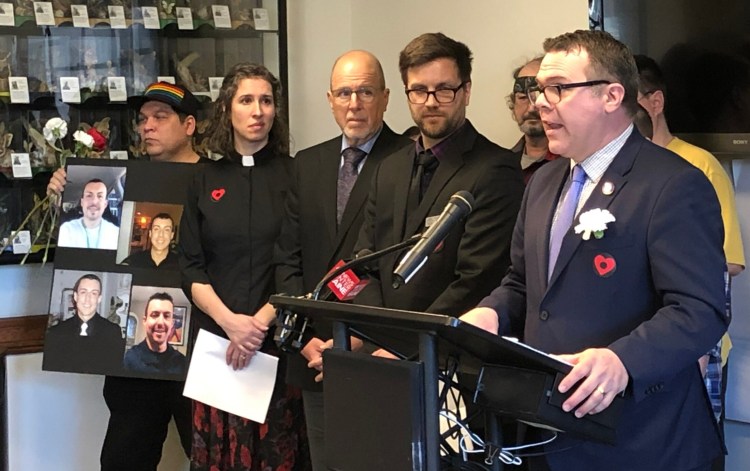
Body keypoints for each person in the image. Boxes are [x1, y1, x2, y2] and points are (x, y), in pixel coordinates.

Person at [460, 30, 727, 470]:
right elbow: (523, 283)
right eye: (537, 90)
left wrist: (623, 359)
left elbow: (700, 309)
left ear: (612, 95)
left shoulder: (674, 184)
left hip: (643, 441)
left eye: (558, 88)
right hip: (548, 434)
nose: (540, 103)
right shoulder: (544, 182)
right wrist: (490, 313)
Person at [47, 82, 202, 471]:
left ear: (189, 125)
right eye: (143, 119)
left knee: (211, 458)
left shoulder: (220, 180)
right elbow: (91, 249)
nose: (147, 126)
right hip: (134, 361)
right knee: (123, 459)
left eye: (160, 117)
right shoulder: (123, 183)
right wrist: (63, 199)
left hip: (202, 350)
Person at [274, 49, 411, 470]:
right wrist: (304, 339)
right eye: (345, 93)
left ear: (386, 98)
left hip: (381, 352)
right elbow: (288, 257)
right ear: (330, 99)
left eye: (366, 92)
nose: (355, 104)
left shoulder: (408, 160)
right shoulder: (307, 164)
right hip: (315, 354)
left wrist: (359, 341)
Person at [179, 62, 310, 470]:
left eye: (267, 101)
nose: (258, 111)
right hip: (218, 347)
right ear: (227, 110)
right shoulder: (204, 178)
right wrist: (232, 323)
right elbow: (190, 266)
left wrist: (257, 326)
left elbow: (301, 259)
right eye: (247, 100)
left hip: (279, 346)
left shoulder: (297, 174)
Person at [350, 33, 523, 320]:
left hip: (447, 351)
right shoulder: (388, 169)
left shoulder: (496, 169)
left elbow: (476, 281)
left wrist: (406, 344)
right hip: (381, 344)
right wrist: (380, 333)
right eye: (418, 90)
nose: (430, 102)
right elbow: (363, 262)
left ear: (466, 91)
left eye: (443, 90)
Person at [636, 54, 745, 471]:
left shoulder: (697, 166)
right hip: (637, 343)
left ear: (655, 102)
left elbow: (727, 263)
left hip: (694, 343)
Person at [43, 273, 125, 374]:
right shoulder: (56, 333)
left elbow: (114, 370)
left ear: (99, 299)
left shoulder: (113, 332)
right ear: (76, 296)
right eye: (83, 292)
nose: (88, 299)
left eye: (94, 293)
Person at [507, 57, 560, 184]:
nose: (532, 108)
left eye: (539, 96)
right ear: (513, 105)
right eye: (523, 97)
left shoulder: (572, 164)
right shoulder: (503, 164)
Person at [123, 292, 186, 375]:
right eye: (154, 315)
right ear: (145, 321)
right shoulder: (129, 359)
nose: (160, 322)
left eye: (166, 316)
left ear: (172, 323)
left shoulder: (182, 363)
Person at [57, 178, 120, 249]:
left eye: (100, 196)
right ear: (82, 202)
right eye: (89, 196)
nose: (94, 201)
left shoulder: (116, 233)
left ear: (105, 204)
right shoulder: (66, 230)